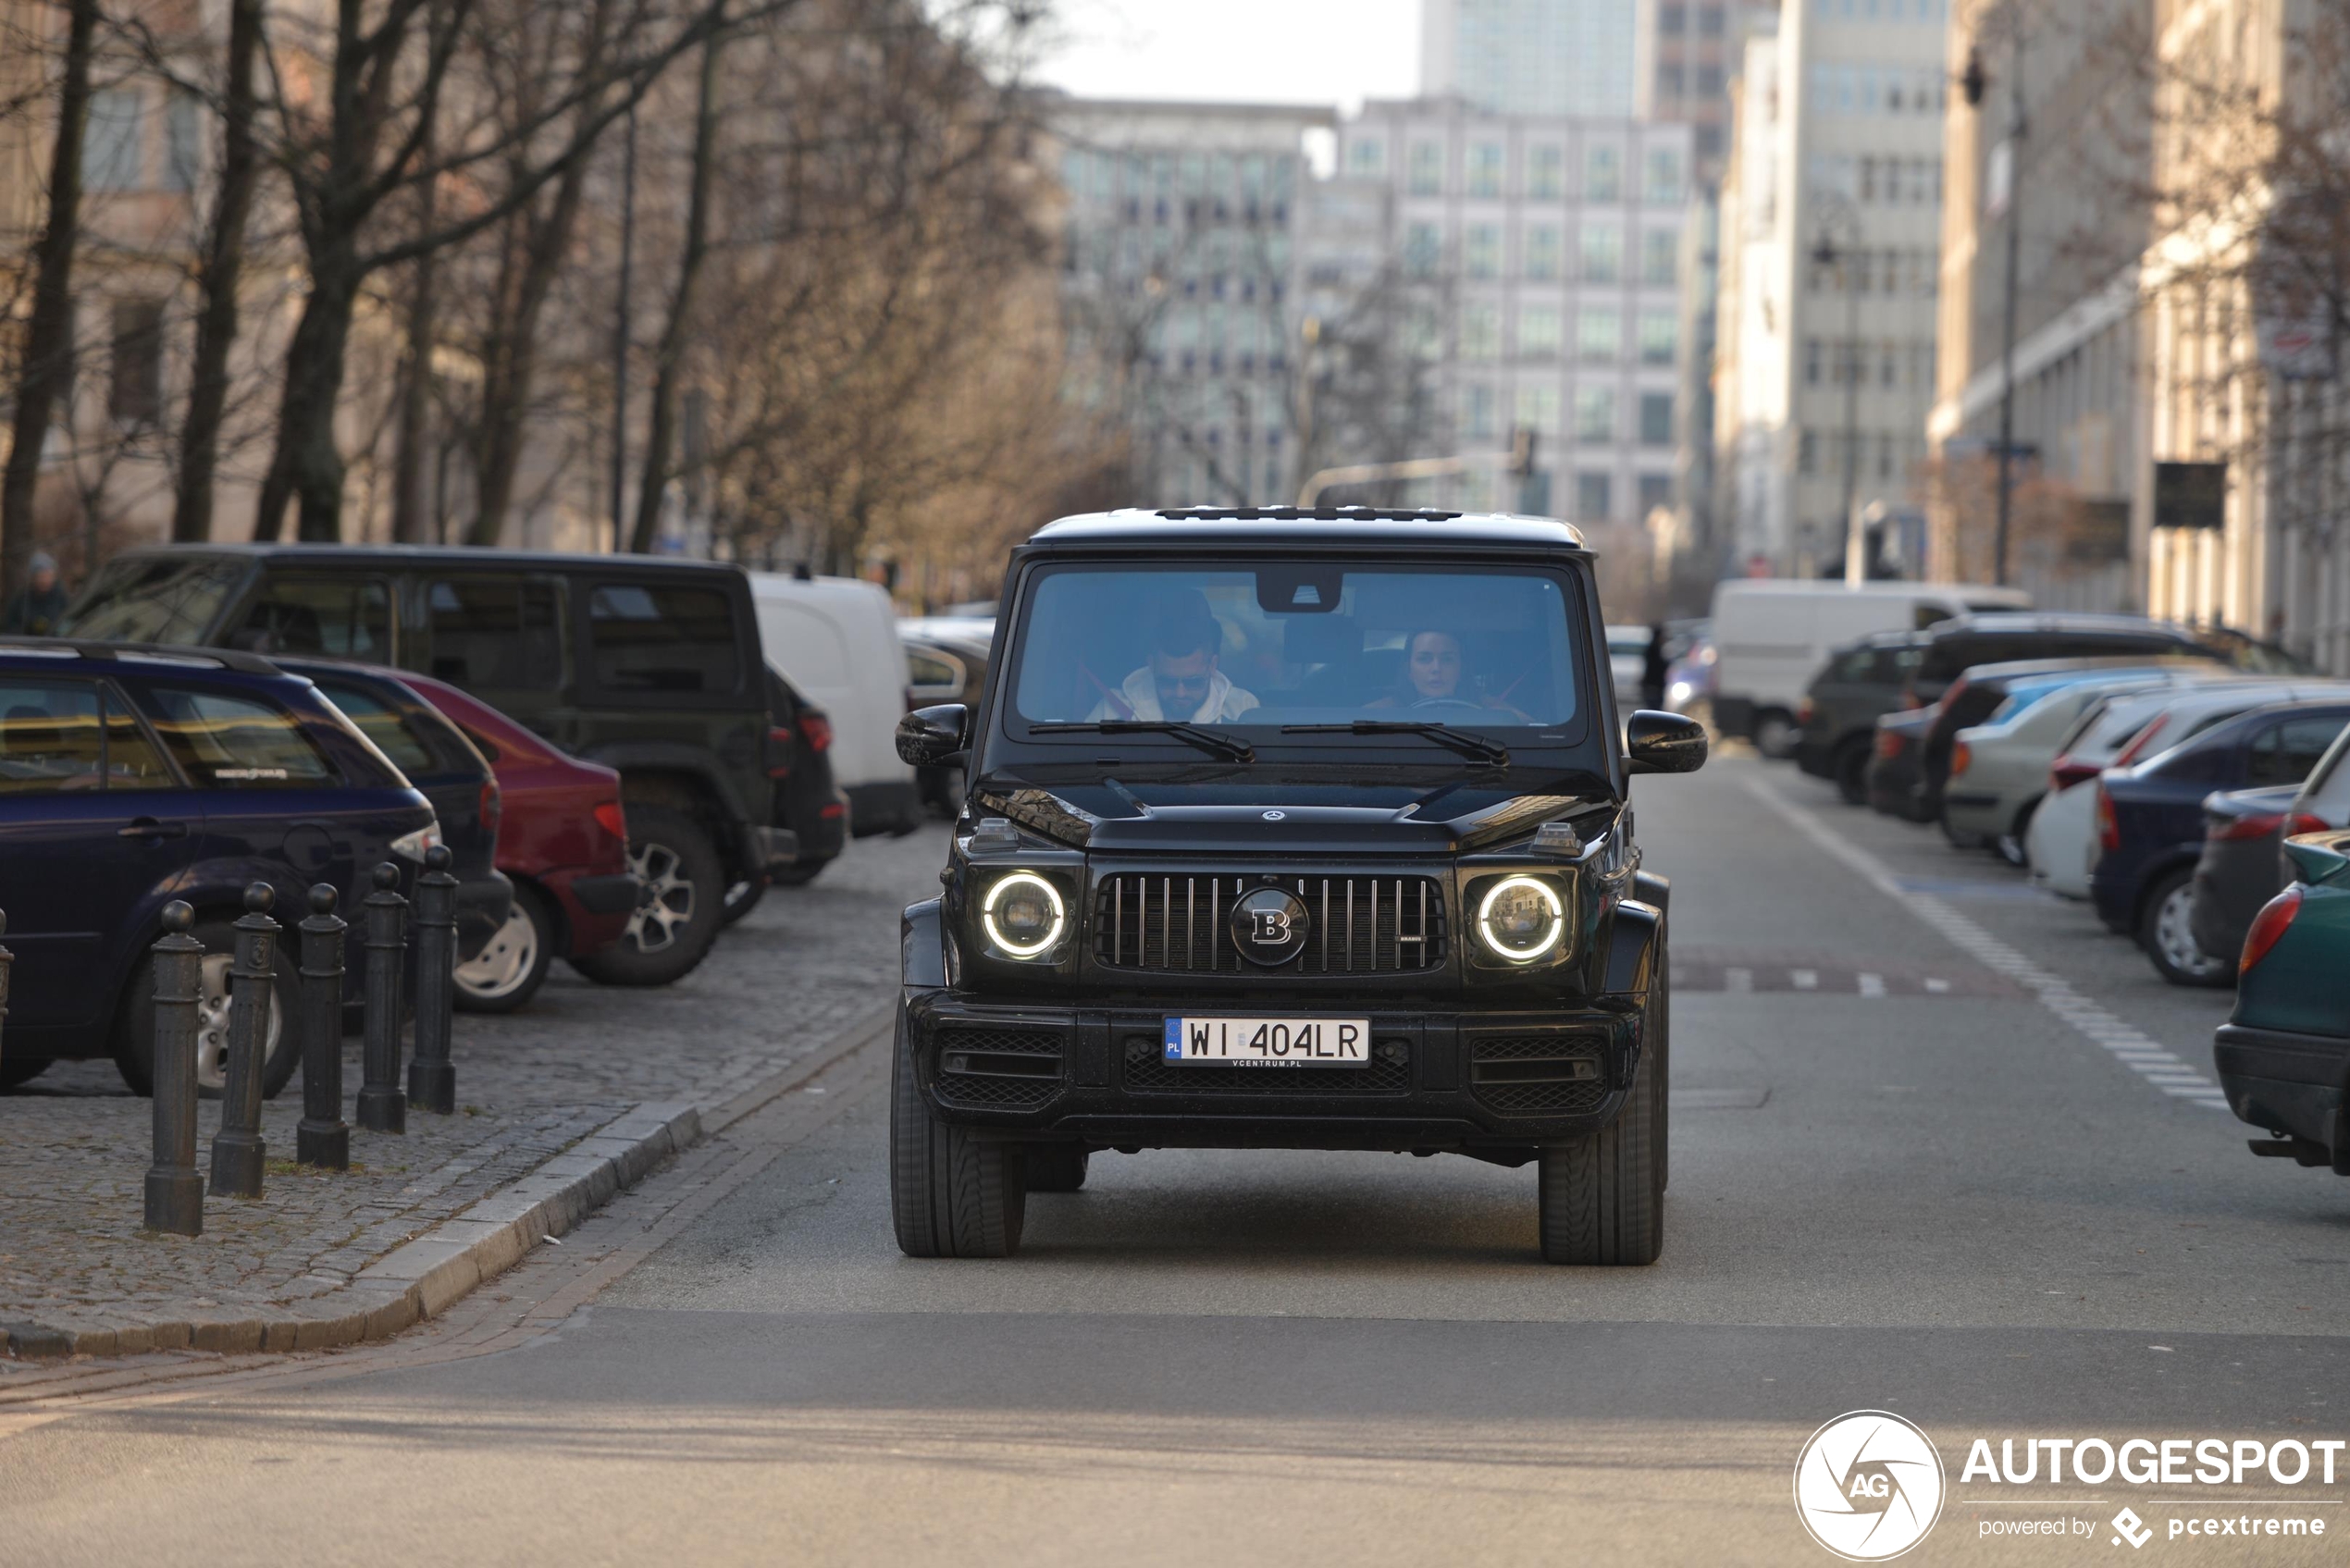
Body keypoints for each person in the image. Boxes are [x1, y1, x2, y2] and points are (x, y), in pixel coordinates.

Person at [1087, 596, 1259, 722]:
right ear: (1152, 665)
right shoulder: (1114, 710)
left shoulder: (1241, 709)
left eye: (1193, 682)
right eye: (1167, 682)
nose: (1180, 693)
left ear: (1212, 665)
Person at [1367, 629, 1529, 720]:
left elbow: (1530, 727)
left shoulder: (1486, 706)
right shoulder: (1382, 712)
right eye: (1424, 659)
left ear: (1461, 670)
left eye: (1447, 659)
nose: (1436, 668)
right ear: (1409, 671)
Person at [2, 551, 70, 636]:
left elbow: (69, 622)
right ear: (33, 578)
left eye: (48, 576)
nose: (44, 580)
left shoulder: (61, 598)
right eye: (41, 576)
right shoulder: (22, 599)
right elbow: (10, 625)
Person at [1641, 622, 1670, 710]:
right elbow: (1656, 668)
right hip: (1654, 686)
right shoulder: (1654, 650)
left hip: (1653, 685)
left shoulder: (1655, 648)